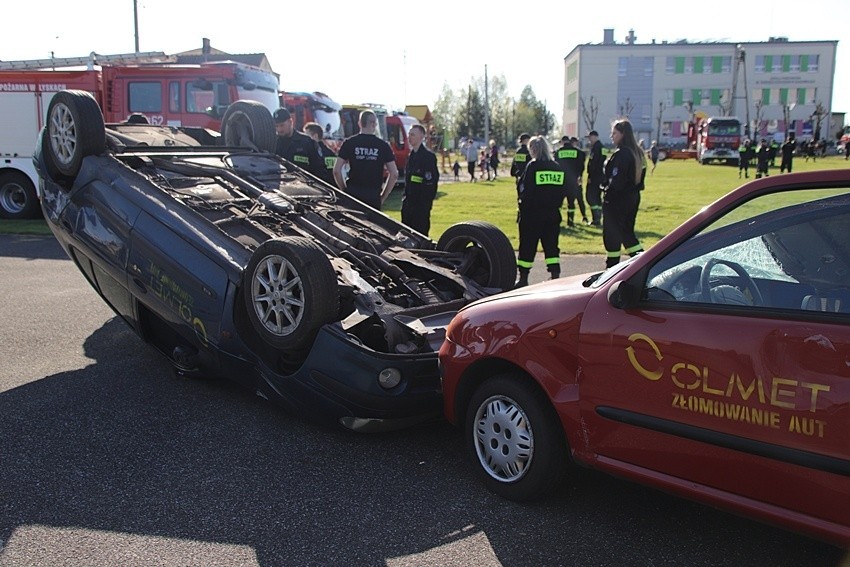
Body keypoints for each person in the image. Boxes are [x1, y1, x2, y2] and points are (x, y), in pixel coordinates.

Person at [514, 135, 568, 287]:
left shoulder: (532, 166)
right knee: (551, 246)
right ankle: (555, 275)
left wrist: (522, 208)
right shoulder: (557, 167)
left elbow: (525, 190)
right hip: (552, 214)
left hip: (532, 215)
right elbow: (562, 191)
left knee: (527, 246)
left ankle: (523, 278)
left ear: (534, 149)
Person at [333, 109, 398, 210]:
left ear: (359, 123)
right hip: (373, 197)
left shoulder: (349, 143)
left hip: (352, 195)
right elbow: (394, 174)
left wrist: (344, 190)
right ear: (374, 124)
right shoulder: (383, 146)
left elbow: (336, 171)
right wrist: (383, 196)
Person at [601, 119, 644, 268]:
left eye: (614, 133)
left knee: (612, 237)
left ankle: (611, 268)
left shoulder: (622, 154)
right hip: (632, 197)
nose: (611, 136)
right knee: (627, 233)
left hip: (617, 200)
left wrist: (606, 192)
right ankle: (643, 262)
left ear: (623, 134)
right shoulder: (637, 152)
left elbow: (616, 181)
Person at [401, 124, 439, 236]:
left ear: (421, 136)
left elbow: (430, 182)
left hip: (421, 205)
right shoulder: (411, 156)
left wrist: (425, 203)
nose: (409, 137)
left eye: (412, 135)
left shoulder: (428, 157)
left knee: (420, 235)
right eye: (409, 134)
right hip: (409, 204)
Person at [274, 108, 323, 174]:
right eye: (276, 126)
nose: (279, 129)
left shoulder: (307, 142)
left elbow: (319, 169)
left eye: (282, 125)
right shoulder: (273, 143)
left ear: (290, 122)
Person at [554, 136, 588, 227]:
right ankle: (570, 221)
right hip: (573, 180)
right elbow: (582, 164)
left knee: (558, 202)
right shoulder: (578, 152)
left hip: (561, 180)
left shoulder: (558, 152)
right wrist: (579, 175)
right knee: (571, 202)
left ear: (562, 142)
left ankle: (556, 220)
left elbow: (555, 165)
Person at [585, 130, 605, 226]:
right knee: (597, 198)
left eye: (590, 138)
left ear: (594, 136)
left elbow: (594, 164)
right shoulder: (602, 147)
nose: (589, 140)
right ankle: (598, 218)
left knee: (590, 197)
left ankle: (596, 219)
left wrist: (590, 176)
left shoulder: (596, 148)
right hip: (602, 176)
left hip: (595, 177)